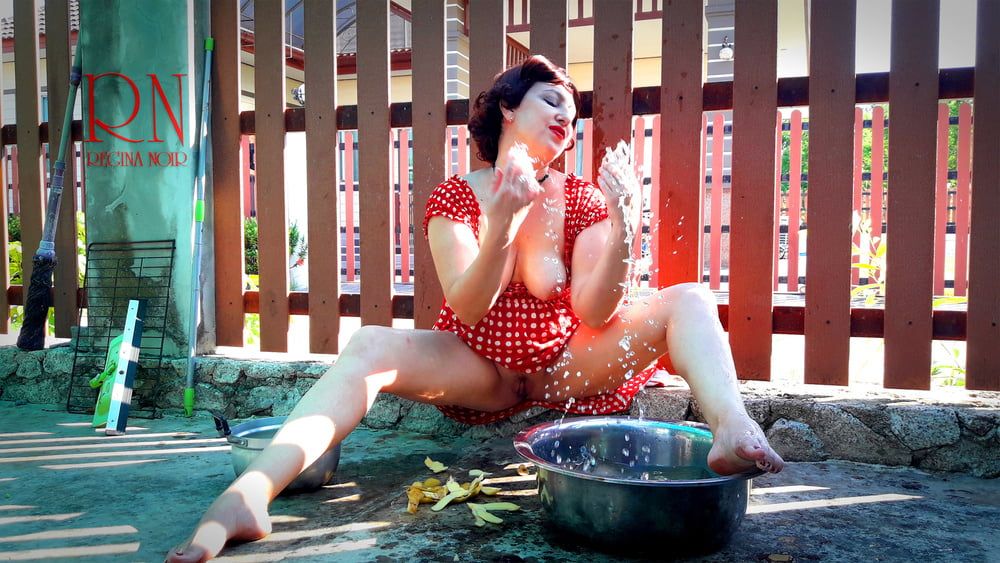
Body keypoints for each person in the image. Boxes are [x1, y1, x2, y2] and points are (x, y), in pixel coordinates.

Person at [168, 55, 783, 562]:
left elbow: (596, 312)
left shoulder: (584, 199)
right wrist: (504, 227)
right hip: (479, 367)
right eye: (550, 102)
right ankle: (250, 493)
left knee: (691, 299)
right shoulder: (460, 194)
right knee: (369, 346)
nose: (565, 119)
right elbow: (467, 299)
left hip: (566, 365)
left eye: (572, 115)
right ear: (509, 109)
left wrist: (623, 229)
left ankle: (731, 427)